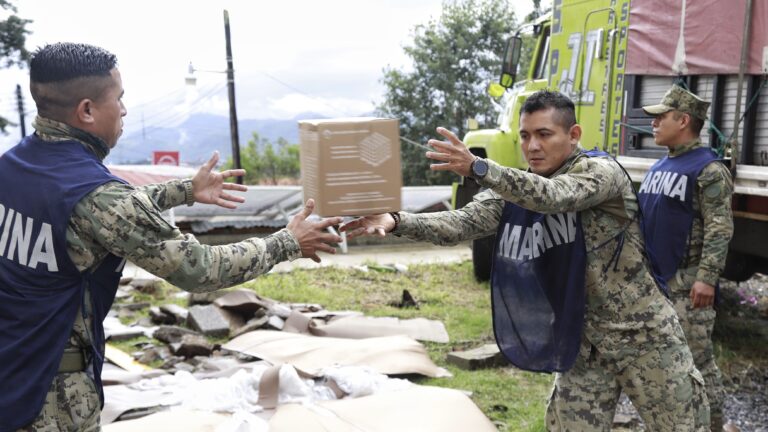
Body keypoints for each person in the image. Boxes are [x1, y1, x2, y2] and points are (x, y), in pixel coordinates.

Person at [0, 42, 343, 431]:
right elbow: (201, 269)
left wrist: (183, 191)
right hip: (52, 397)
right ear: (88, 111)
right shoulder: (99, 196)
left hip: (13, 370)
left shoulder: (13, 167)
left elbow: (89, 214)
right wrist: (287, 241)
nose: (125, 110)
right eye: (120, 98)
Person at [341, 90, 710, 431]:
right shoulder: (516, 189)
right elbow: (461, 223)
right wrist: (396, 220)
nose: (532, 146)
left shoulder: (600, 172)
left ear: (574, 134)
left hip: (643, 337)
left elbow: (552, 196)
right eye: (524, 135)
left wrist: (481, 169)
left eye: (545, 134)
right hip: (583, 344)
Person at [640, 85, 735, 431]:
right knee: (664, 365)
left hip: (689, 284)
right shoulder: (662, 164)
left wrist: (707, 277)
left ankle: (714, 426)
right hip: (659, 284)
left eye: (660, 117)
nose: (653, 124)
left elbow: (720, 228)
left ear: (683, 120)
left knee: (698, 362)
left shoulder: (708, 169)